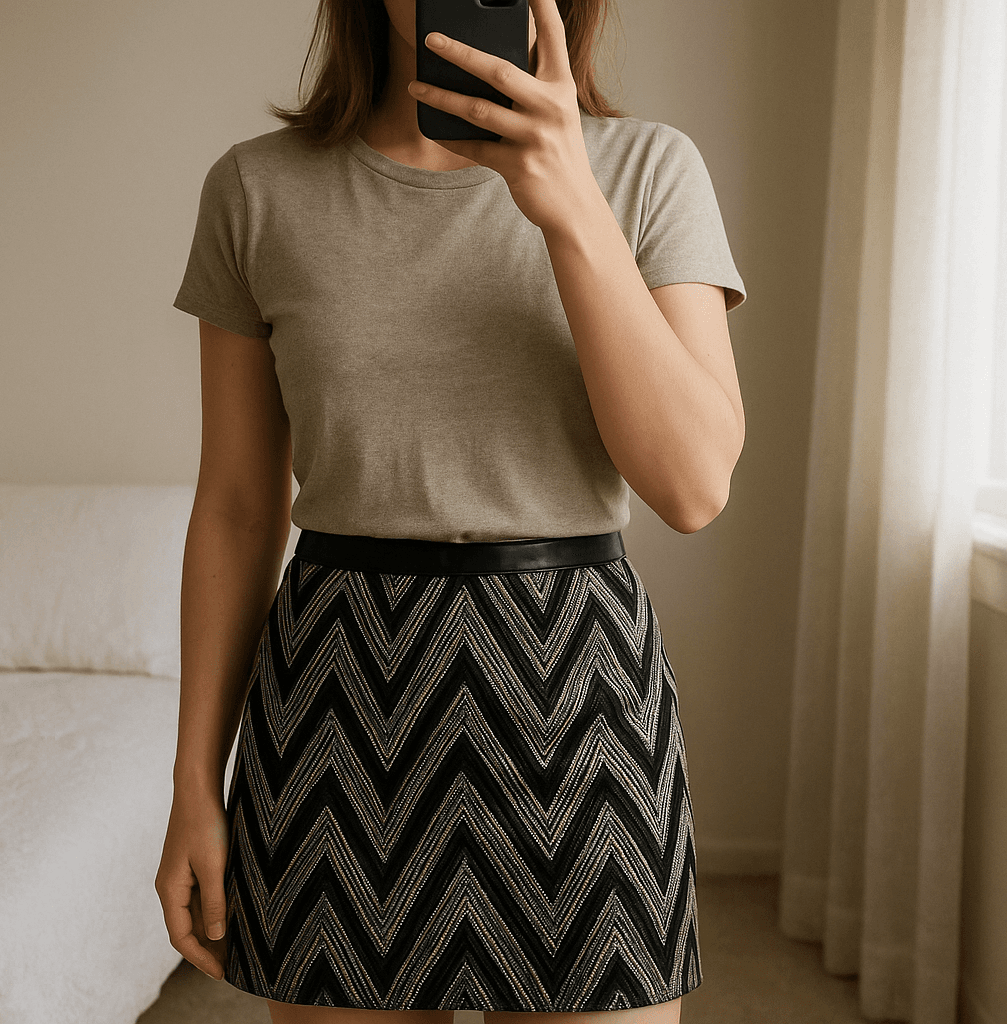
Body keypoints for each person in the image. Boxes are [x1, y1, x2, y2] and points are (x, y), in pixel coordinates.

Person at [155, 0, 747, 1021]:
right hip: (335, 702)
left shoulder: (649, 169)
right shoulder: (257, 189)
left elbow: (692, 485)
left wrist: (567, 202)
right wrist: (194, 787)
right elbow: (240, 510)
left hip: (579, 698)